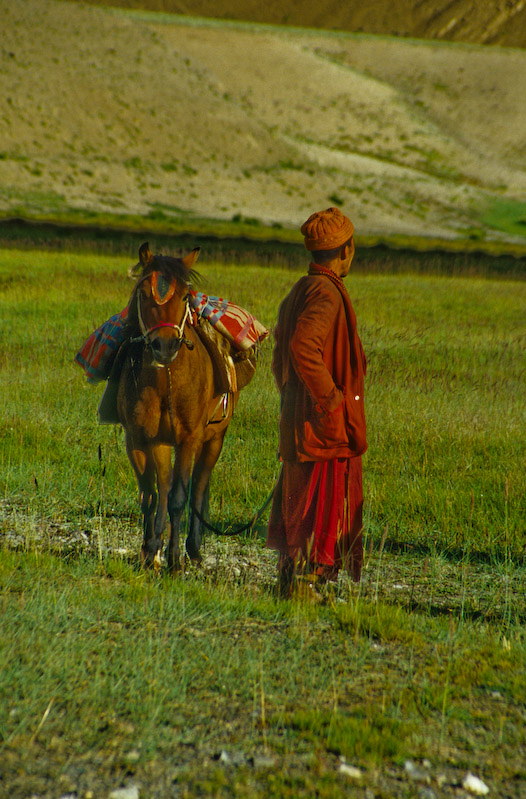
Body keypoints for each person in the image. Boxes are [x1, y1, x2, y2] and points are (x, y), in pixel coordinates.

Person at [267, 207, 367, 596]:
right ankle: (307, 584)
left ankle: (291, 582)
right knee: (323, 504)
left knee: (300, 501)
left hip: (301, 420)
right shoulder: (326, 292)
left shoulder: (301, 290)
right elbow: (301, 346)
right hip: (323, 425)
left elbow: (280, 359)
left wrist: (293, 398)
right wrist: (331, 401)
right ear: (346, 250)